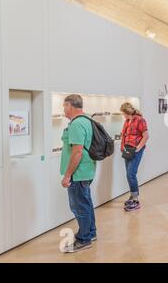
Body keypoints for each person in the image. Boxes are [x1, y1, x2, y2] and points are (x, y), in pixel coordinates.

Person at [60, 94, 97, 253]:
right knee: (86, 204)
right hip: (86, 171)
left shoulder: (76, 124)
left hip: (78, 173)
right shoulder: (87, 120)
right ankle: (90, 233)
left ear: (70, 106)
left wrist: (67, 175)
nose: (63, 109)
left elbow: (77, 153)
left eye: (64, 106)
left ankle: (84, 239)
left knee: (79, 207)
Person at [120, 102, 149, 212]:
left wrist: (138, 148)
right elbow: (123, 135)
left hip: (136, 150)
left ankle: (136, 199)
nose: (123, 115)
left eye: (124, 113)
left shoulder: (140, 120)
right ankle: (132, 195)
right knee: (128, 174)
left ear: (128, 112)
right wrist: (122, 146)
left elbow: (146, 136)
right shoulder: (127, 121)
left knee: (131, 174)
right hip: (127, 150)